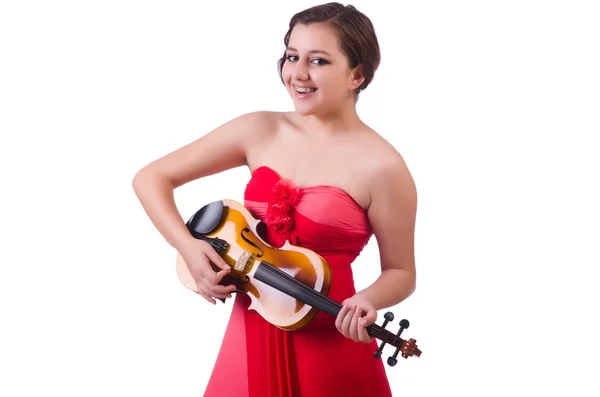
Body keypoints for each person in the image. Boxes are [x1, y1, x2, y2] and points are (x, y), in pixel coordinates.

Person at [133, 2, 417, 396]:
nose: (297, 74)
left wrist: (367, 299)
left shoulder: (383, 166)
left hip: (331, 329)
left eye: (318, 60)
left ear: (357, 74)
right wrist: (188, 248)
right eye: (291, 56)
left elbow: (402, 272)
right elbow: (151, 178)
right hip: (254, 322)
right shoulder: (259, 129)